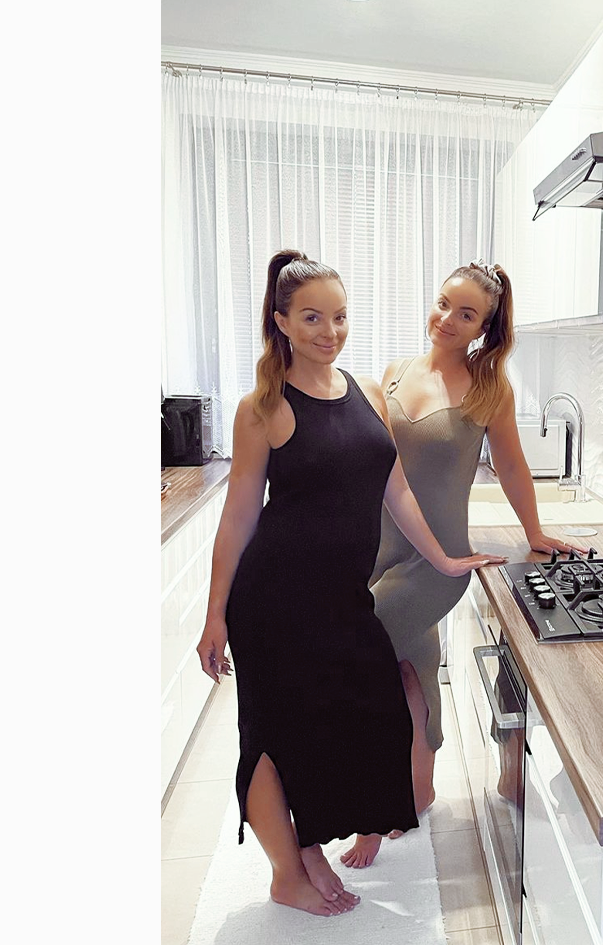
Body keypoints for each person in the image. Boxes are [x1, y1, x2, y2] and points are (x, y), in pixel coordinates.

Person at [195, 250, 507, 918]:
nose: (328, 331)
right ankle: (289, 870)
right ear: (281, 321)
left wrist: (445, 560)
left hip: (343, 596)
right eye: (311, 317)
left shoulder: (366, 390)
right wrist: (215, 614)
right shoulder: (263, 407)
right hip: (275, 600)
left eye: (338, 317)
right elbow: (238, 516)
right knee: (274, 735)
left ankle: (317, 841)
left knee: (365, 707)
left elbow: (397, 490)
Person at [340, 259, 588, 868]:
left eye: (467, 314)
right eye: (444, 303)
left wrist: (535, 532)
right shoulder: (395, 372)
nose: (448, 319)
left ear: (485, 328)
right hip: (379, 552)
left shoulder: (489, 389)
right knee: (412, 669)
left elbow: (512, 466)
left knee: (360, 666)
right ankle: (418, 792)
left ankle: (372, 803)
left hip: (438, 564)